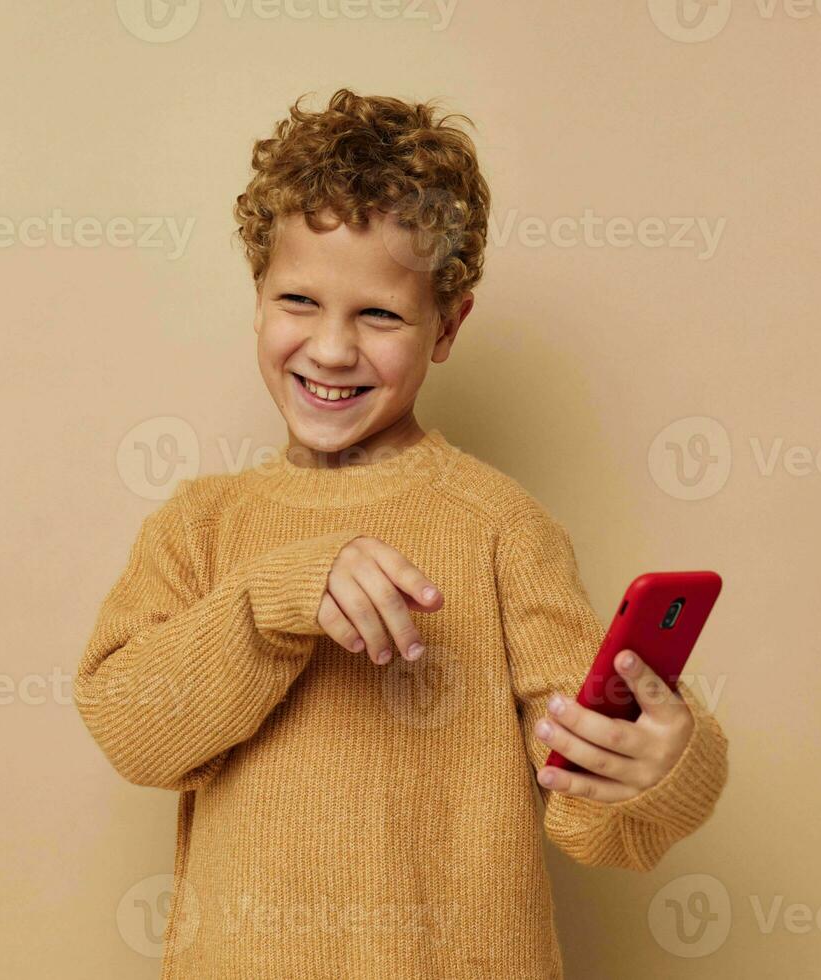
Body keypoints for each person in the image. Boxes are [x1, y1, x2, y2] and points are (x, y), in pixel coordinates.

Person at [73, 87, 729, 979]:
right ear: (258, 299)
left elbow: (592, 812)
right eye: (299, 301)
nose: (333, 349)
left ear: (447, 325)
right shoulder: (202, 524)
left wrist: (660, 762)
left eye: (379, 315)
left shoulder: (500, 526)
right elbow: (133, 731)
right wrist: (274, 598)